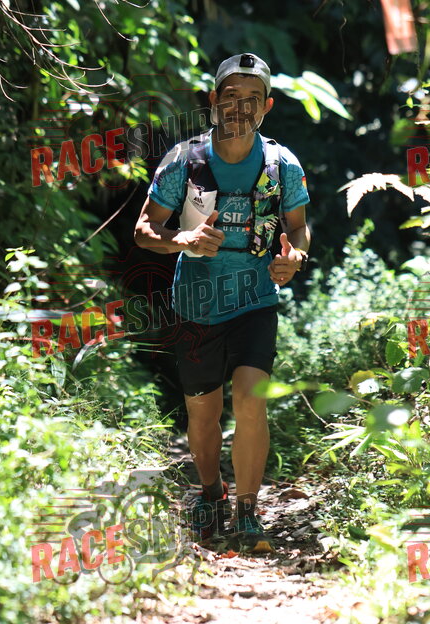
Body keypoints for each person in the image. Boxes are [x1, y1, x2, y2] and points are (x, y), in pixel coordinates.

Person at [134, 53, 311, 552]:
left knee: (252, 401)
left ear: (267, 107)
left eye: (252, 98)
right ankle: (212, 492)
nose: (240, 107)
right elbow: (144, 230)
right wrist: (183, 240)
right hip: (196, 302)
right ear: (214, 101)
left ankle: (248, 513)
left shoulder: (282, 165)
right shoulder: (183, 160)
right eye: (231, 96)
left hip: (256, 298)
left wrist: (295, 257)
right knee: (202, 413)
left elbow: (298, 228)